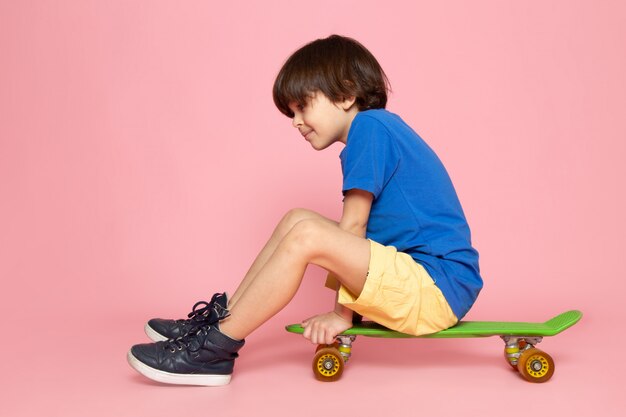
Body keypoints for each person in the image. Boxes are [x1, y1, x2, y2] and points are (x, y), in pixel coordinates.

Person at [127, 34, 482, 386]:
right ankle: (220, 320)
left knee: (308, 233)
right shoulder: (379, 129)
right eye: (291, 112)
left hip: (435, 289)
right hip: (425, 280)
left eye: (302, 107)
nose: (296, 121)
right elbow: (358, 240)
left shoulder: (370, 128)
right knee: (297, 219)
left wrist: (342, 316)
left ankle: (212, 351)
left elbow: (354, 225)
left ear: (345, 94)